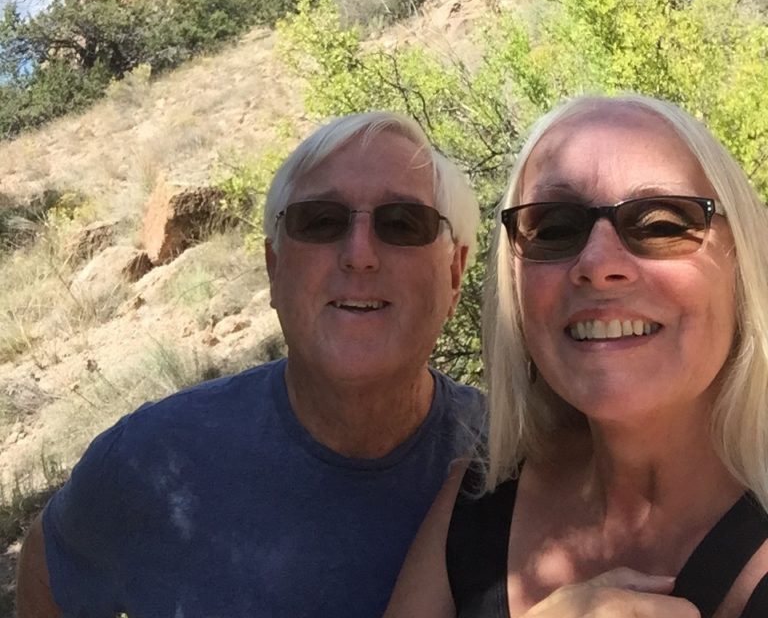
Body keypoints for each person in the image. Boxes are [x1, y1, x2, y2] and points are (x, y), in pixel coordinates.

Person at [16, 111, 484, 618]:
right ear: (274, 269)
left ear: (455, 274)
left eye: (402, 223)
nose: (359, 254)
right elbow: (47, 567)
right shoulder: (149, 459)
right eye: (320, 221)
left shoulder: (522, 461)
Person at [385, 93, 768, 618]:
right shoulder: (476, 500)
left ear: (741, 265)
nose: (597, 263)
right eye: (555, 228)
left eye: (660, 223)